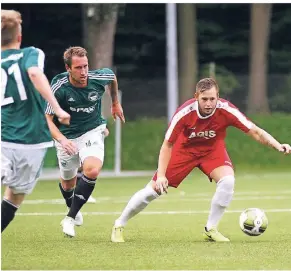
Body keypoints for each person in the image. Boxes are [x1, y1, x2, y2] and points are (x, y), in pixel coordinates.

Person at [111, 77, 291, 243]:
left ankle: (211, 229)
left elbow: (255, 131)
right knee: (152, 191)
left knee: (228, 181)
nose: (209, 103)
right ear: (196, 96)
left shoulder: (226, 109)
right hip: (183, 152)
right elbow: (167, 145)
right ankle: (119, 224)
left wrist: (277, 145)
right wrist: (162, 175)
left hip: (212, 151)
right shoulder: (184, 114)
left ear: (218, 97)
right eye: (204, 99)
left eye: (212, 99)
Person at [1, 10, 71, 232]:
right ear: (19, 37)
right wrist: (57, 108)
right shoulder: (31, 53)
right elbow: (34, 73)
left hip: (3, 136)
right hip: (32, 140)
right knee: (14, 196)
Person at [45, 46, 125, 238]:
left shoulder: (98, 78)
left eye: (86, 66)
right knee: (67, 183)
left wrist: (115, 102)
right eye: (79, 68)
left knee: (92, 169)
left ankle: (69, 218)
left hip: (92, 130)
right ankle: (72, 206)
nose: (84, 72)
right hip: (67, 136)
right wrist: (62, 140)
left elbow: (112, 78)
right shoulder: (58, 86)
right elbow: (47, 118)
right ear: (68, 69)